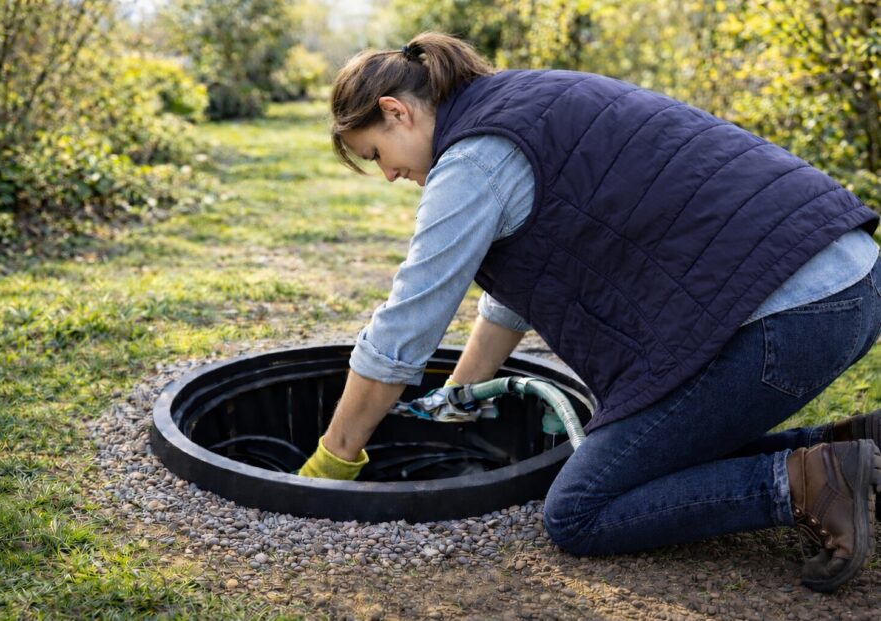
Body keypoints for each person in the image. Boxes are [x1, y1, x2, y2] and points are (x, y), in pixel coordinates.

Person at [297, 32, 881, 592]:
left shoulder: (472, 161)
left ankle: (804, 484)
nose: (391, 174)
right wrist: (461, 392)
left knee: (583, 508)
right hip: (852, 275)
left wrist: (335, 460)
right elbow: (515, 290)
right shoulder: (523, 99)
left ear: (396, 111)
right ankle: (851, 448)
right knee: (647, 456)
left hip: (790, 315)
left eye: (377, 154)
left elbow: (405, 329)